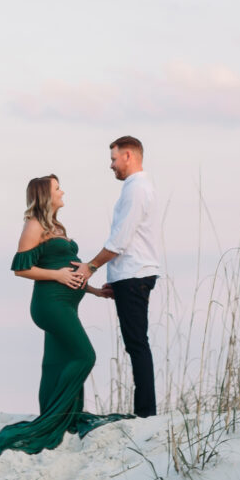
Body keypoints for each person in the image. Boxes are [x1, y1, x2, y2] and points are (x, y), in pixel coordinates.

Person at [0, 175, 133, 460]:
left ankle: (63, 415)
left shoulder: (56, 226)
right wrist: (57, 274)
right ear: (44, 195)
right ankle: (56, 416)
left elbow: (66, 271)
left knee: (55, 363)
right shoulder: (34, 224)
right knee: (84, 356)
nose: (62, 191)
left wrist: (93, 291)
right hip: (50, 305)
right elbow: (21, 268)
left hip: (66, 303)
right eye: (57, 188)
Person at [72, 135, 161, 417]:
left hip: (135, 275)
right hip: (129, 275)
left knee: (137, 344)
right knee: (135, 343)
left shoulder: (136, 189)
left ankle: (146, 414)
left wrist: (91, 267)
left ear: (128, 156)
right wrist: (115, 275)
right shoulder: (137, 188)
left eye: (113, 159)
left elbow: (120, 240)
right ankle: (145, 411)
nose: (111, 166)